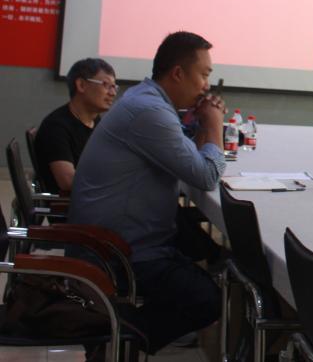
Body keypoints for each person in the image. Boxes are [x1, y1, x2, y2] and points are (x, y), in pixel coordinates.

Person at [70, 31, 227, 352]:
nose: (206, 86)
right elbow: (206, 175)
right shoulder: (149, 112)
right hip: (115, 253)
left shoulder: (148, 101)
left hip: (123, 238)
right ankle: (117, 338)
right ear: (178, 73)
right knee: (208, 298)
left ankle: (120, 334)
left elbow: (193, 162)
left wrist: (201, 125)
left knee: (206, 251)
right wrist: (214, 125)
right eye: (204, 75)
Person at [34, 57, 117, 193]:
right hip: (73, 202)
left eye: (114, 87)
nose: (113, 93)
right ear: (81, 85)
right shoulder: (56, 127)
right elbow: (68, 182)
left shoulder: (95, 121)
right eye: (106, 85)